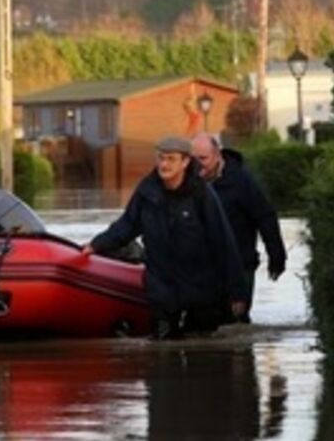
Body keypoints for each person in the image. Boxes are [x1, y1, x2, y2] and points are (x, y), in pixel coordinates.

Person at [82, 136, 247, 339]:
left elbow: (223, 241)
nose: (164, 164)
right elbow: (126, 226)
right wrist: (95, 245)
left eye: (170, 159)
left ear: (185, 162)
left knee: (202, 351)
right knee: (162, 348)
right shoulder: (147, 191)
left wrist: (237, 291)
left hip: (200, 287)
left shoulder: (201, 194)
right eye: (161, 158)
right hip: (162, 287)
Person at [190, 133, 287, 323]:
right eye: (193, 159)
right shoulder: (188, 182)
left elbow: (265, 217)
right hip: (202, 266)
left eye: (203, 159)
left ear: (217, 154)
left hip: (241, 263)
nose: (197, 165)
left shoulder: (242, 181)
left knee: (235, 321)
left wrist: (276, 256)